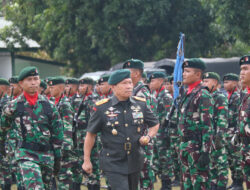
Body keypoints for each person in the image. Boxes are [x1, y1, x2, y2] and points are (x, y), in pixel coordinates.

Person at [82, 69, 159, 190]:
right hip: (113, 161)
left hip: (135, 159)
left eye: (130, 83)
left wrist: (149, 136)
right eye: (124, 83)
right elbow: (90, 135)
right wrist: (86, 160)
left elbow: (154, 124)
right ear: (113, 86)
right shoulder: (102, 107)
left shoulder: (140, 105)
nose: (129, 86)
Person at [0, 66, 64, 189]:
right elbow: (2, 129)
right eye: (29, 79)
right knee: (35, 186)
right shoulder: (13, 106)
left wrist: (57, 157)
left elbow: (57, 133)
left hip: (47, 155)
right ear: (21, 83)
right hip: (25, 154)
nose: (33, 82)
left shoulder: (49, 106)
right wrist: (3, 150)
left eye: (36, 79)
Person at [178, 58, 214, 189]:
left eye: (187, 71)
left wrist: (205, 151)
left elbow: (207, 126)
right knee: (187, 185)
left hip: (197, 148)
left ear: (198, 74)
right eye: (183, 71)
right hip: (185, 146)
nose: (183, 74)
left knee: (199, 183)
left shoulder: (202, 94)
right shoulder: (188, 93)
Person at [123, 59, 157, 189]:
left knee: (144, 178)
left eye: (128, 71)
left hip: (142, 142)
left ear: (137, 73)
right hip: (133, 141)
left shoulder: (141, 93)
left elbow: (141, 121)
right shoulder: (133, 92)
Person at [202, 72, 229, 189]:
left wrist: (219, 135)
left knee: (220, 162)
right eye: (203, 81)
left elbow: (223, 117)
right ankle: (213, 184)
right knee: (211, 163)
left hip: (218, 135)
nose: (204, 83)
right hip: (208, 135)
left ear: (215, 83)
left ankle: (222, 185)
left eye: (207, 81)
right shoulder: (206, 96)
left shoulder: (220, 97)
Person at [49, 77, 76, 190]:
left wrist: (64, 148)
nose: (49, 89)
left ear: (60, 88)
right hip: (53, 145)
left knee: (64, 178)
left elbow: (68, 127)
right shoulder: (51, 102)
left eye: (52, 87)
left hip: (62, 147)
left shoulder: (65, 104)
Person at [149, 72, 173, 189]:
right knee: (157, 158)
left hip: (163, 134)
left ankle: (166, 184)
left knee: (165, 159)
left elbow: (169, 117)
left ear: (160, 81)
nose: (151, 84)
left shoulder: (166, 97)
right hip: (156, 133)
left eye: (153, 81)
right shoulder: (155, 95)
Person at [223, 73, 244, 189]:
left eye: (227, 82)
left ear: (235, 83)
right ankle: (235, 181)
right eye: (224, 82)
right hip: (227, 131)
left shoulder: (238, 96)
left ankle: (239, 183)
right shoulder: (227, 96)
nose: (225, 85)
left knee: (236, 158)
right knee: (230, 158)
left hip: (235, 131)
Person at [238, 55, 250, 189]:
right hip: (246, 150)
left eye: (246, 69)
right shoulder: (245, 96)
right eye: (241, 69)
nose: (242, 72)